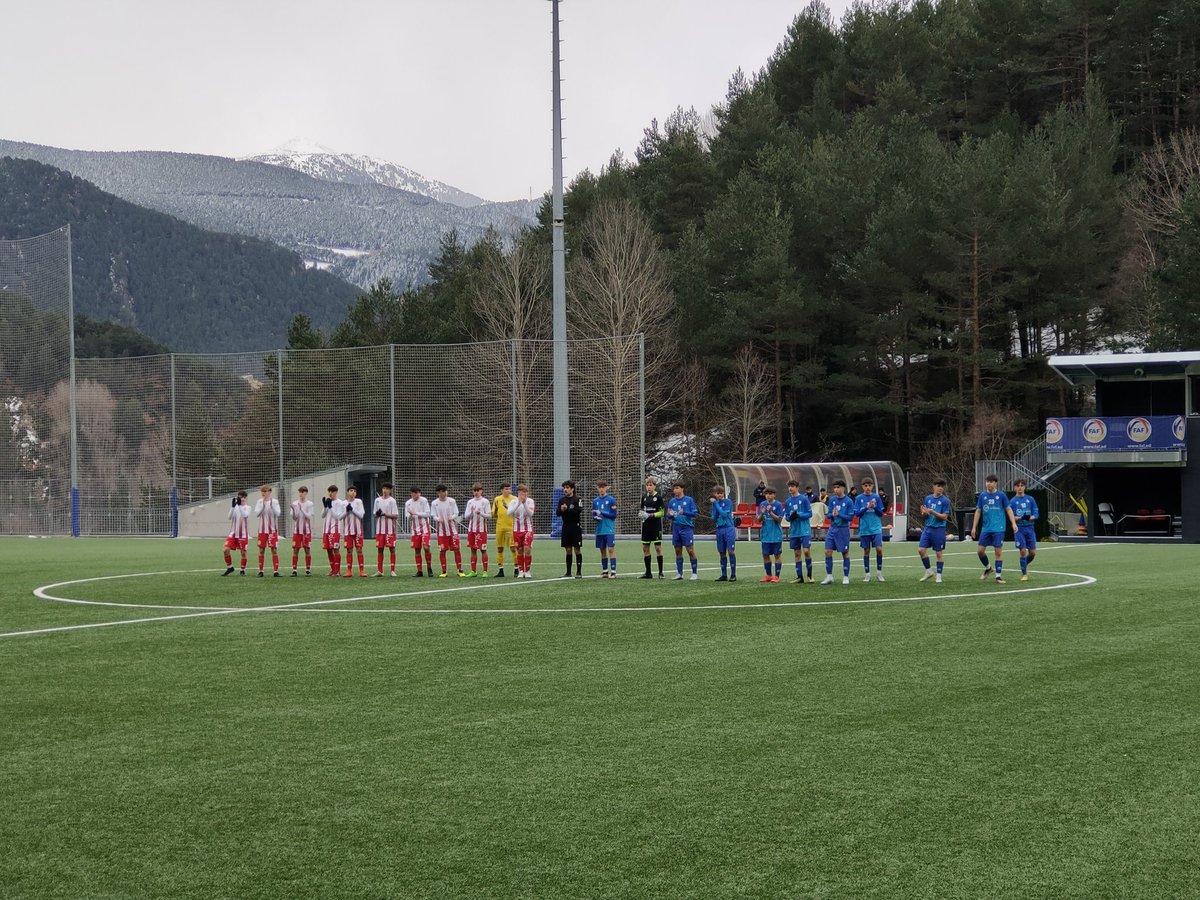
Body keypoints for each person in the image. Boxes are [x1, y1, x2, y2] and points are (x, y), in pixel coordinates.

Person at [970, 474, 1014, 584]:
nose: (988, 484)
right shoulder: (982, 496)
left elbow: (1008, 509)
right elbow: (978, 511)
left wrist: (1013, 523)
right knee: (980, 551)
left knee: (998, 552)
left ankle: (998, 576)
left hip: (998, 528)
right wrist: (974, 527)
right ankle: (988, 568)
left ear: (995, 483)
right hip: (986, 528)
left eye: (991, 482)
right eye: (987, 481)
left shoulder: (1001, 495)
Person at [917, 479, 952, 583]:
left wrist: (933, 512)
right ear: (933, 486)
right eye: (938, 485)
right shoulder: (927, 498)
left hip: (939, 529)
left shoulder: (945, 501)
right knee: (921, 550)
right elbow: (925, 513)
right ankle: (929, 571)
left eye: (942, 486)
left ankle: (939, 575)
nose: (940, 488)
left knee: (938, 553)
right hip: (928, 528)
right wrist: (923, 512)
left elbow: (944, 517)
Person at [821, 480, 854, 585]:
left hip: (843, 530)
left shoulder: (848, 501)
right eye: (834, 488)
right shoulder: (832, 500)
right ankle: (829, 576)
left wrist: (839, 514)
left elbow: (850, 517)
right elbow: (829, 515)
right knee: (827, 551)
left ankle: (846, 576)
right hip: (832, 529)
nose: (836, 490)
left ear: (843, 488)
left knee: (845, 553)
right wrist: (833, 515)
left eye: (838, 487)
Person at [854, 477, 886, 583]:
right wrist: (866, 507)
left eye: (869, 485)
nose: (867, 488)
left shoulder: (876, 497)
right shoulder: (859, 498)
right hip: (864, 529)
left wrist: (875, 507)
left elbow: (881, 513)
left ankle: (879, 573)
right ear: (862, 487)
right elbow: (857, 514)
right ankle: (867, 574)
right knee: (866, 551)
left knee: (879, 549)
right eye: (865, 486)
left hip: (876, 528)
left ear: (872, 486)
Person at [666, 481, 699, 581]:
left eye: (677, 488)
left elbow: (694, 514)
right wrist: (670, 515)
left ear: (682, 489)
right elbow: (668, 515)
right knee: (677, 550)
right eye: (674, 488)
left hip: (686, 528)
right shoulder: (672, 501)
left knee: (690, 550)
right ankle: (679, 573)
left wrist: (684, 512)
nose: (675, 490)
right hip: (676, 528)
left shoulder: (689, 500)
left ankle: (694, 573)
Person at [784, 480, 814, 584]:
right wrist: (791, 517)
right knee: (797, 553)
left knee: (806, 551)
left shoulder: (804, 499)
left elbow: (810, 514)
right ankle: (799, 577)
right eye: (789, 486)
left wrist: (799, 515)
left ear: (797, 487)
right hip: (794, 531)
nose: (790, 488)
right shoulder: (788, 501)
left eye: (792, 486)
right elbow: (787, 517)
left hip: (804, 530)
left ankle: (810, 575)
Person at [431, 484, 465, 577]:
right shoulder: (434, 503)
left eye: (445, 491)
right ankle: (444, 571)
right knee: (442, 551)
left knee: (457, 549)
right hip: (441, 532)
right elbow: (433, 516)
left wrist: (452, 517)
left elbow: (456, 512)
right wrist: (438, 519)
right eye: (442, 491)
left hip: (453, 531)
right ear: (438, 493)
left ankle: (460, 570)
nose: (445, 493)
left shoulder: (452, 501)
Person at [1009, 479, 1039, 582]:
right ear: (1014, 488)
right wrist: (1017, 518)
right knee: (1022, 551)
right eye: (1018, 485)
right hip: (1019, 529)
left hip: (1030, 528)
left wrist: (1031, 517)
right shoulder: (1012, 501)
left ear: (1025, 487)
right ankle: (1024, 574)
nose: (1020, 487)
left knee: (1033, 553)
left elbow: (1036, 513)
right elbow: (1010, 515)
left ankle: (1024, 565)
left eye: (1022, 485)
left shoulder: (1030, 499)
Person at [638, 477, 666, 579]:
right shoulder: (644, 498)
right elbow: (642, 510)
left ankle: (660, 572)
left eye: (651, 485)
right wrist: (641, 514)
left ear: (654, 486)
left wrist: (650, 515)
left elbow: (662, 513)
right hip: (646, 527)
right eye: (647, 485)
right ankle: (648, 573)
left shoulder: (658, 497)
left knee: (658, 548)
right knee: (645, 548)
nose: (649, 487)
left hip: (655, 526)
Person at [463, 483, 492, 578]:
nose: (476, 492)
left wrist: (481, 513)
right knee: (473, 549)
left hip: (482, 530)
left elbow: (489, 516)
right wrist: (471, 512)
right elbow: (466, 516)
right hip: (472, 530)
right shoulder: (470, 502)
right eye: (474, 490)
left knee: (483, 549)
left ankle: (485, 571)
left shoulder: (485, 501)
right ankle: (473, 571)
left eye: (478, 490)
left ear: (481, 491)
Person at [507, 484, 536, 578]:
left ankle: (527, 571)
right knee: (519, 550)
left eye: (525, 492)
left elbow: (530, 513)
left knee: (527, 549)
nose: (523, 494)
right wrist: (519, 503)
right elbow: (509, 513)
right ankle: (521, 571)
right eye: (521, 492)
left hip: (528, 529)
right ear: (518, 493)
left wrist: (524, 503)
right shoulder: (513, 502)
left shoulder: (530, 501)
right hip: (516, 530)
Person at [556, 480, 583, 578]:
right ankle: (568, 572)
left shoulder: (577, 499)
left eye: (567, 488)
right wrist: (562, 510)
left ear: (572, 489)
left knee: (577, 549)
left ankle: (579, 572)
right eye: (564, 488)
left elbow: (578, 511)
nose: (565, 489)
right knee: (568, 549)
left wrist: (567, 509)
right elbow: (558, 513)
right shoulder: (561, 500)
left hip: (575, 527)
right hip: (566, 527)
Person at [710, 485, 738, 581]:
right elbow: (714, 518)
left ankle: (733, 574)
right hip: (719, 529)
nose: (719, 495)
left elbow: (724, 514)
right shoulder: (714, 505)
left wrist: (717, 505)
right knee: (722, 552)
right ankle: (724, 575)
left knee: (730, 551)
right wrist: (715, 506)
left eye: (721, 493)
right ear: (714, 494)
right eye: (717, 493)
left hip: (729, 528)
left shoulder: (727, 502)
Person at [372, 482, 400, 577]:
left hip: (390, 530)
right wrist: (378, 514)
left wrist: (385, 514)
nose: (385, 490)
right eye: (384, 488)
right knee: (380, 549)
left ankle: (392, 570)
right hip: (380, 530)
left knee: (392, 549)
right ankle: (380, 571)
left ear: (390, 490)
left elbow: (396, 515)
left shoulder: (392, 501)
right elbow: (375, 514)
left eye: (387, 489)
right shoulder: (377, 500)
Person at [757, 487, 784, 583]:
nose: (768, 495)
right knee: (765, 555)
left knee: (777, 555)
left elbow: (779, 520)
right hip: (765, 534)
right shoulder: (762, 504)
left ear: (774, 495)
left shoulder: (778, 505)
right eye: (766, 494)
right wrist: (763, 513)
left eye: (770, 494)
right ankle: (768, 575)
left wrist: (770, 512)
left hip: (776, 534)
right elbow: (759, 520)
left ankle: (776, 576)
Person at [405, 487, 434, 577]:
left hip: (425, 529)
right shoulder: (408, 503)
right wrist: (410, 515)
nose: (416, 495)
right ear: (411, 493)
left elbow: (428, 513)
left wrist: (416, 513)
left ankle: (429, 568)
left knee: (426, 547)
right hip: (415, 531)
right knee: (417, 550)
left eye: (418, 493)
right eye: (414, 493)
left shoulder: (424, 500)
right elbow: (408, 518)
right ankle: (419, 571)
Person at [592, 480, 619, 579]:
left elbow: (614, 515)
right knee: (602, 550)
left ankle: (613, 572)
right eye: (600, 487)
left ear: (606, 488)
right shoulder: (595, 501)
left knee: (611, 549)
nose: (601, 489)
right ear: (597, 488)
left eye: (603, 487)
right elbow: (594, 514)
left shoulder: (611, 500)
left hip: (609, 529)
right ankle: (604, 571)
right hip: (599, 530)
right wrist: (595, 517)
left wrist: (602, 513)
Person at [254, 484, 282, 577]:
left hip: (272, 530)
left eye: (265, 491)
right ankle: (261, 571)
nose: (263, 493)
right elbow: (257, 514)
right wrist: (263, 506)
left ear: (269, 492)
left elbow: (278, 514)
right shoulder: (259, 501)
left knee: (274, 550)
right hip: (262, 530)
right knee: (261, 550)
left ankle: (276, 571)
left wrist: (271, 505)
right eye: (262, 491)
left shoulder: (274, 502)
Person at [222, 490, 250, 576]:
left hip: (243, 534)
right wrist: (232, 507)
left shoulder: (247, 507)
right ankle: (230, 567)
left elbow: (245, 515)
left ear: (245, 498)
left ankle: (242, 570)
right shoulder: (235, 507)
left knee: (243, 553)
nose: (241, 499)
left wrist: (239, 506)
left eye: (243, 497)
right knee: (226, 550)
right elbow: (229, 517)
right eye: (239, 497)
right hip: (233, 533)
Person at [492, 483, 516, 578]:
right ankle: (500, 570)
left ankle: (516, 569)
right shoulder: (497, 499)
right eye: (506, 489)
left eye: (509, 488)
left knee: (513, 548)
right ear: (501, 490)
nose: (508, 490)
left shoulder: (514, 499)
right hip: (500, 527)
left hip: (511, 527)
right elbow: (493, 513)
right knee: (499, 548)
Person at [342, 486, 366, 577]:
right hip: (348, 531)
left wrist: (353, 509)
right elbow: (340, 517)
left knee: (359, 550)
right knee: (349, 550)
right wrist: (346, 511)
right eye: (351, 491)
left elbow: (361, 515)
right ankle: (349, 570)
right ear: (348, 492)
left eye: (355, 491)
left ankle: (362, 570)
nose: (353, 492)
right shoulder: (343, 503)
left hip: (358, 531)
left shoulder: (358, 502)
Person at [290, 486, 313, 576]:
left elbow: (309, 516)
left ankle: (308, 569)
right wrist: (294, 510)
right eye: (300, 492)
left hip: (306, 531)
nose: (301, 494)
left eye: (303, 492)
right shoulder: (295, 503)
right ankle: (294, 570)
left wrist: (301, 509)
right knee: (295, 549)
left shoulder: (310, 504)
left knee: (307, 549)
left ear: (306, 493)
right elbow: (294, 518)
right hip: (297, 531)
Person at [321, 485, 345, 576]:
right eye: (329, 491)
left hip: (335, 529)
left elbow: (338, 516)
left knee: (335, 549)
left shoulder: (340, 503)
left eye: (332, 491)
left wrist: (331, 507)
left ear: (336, 492)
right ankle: (333, 569)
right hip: (326, 530)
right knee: (328, 550)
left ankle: (337, 571)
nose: (330, 493)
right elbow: (322, 515)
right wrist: (325, 507)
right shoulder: (328, 501)